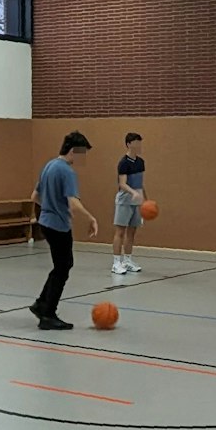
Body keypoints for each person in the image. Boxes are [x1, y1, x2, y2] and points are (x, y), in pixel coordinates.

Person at [30, 131, 99, 331]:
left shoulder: (49, 166)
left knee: (60, 266)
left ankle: (41, 304)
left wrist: (50, 207)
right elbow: (73, 202)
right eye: (82, 153)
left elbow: (35, 196)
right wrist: (90, 217)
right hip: (58, 226)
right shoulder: (67, 171)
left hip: (45, 222)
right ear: (73, 151)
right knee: (63, 267)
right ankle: (48, 315)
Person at [111, 132, 146, 274]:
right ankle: (116, 263)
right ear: (128, 144)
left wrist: (145, 199)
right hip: (124, 200)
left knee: (132, 232)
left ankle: (127, 260)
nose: (139, 145)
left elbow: (140, 183)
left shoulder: (141, 162)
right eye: (136, 142)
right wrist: (133, 192)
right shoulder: (123, 163)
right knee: (120, 231)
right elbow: (122, 184)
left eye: (140, 142)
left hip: (136, 201)